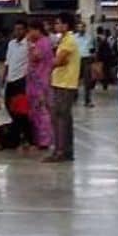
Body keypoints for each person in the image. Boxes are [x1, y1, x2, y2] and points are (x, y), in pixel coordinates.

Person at [46, 13, 80, 163]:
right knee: (62, 118)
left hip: (65, 84)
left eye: (58, 23)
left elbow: (59, 61)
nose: (56, 26)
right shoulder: (64, 39)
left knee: (60, 118)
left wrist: (48, 61)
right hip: (60, 82)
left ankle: (61, 151)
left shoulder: (69, 41)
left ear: (66, 25)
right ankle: (64, 150)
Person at [0, 21, 31, 150]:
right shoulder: (11, 44)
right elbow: (8, 63)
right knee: (10, 108)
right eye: (16, 29)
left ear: (25, 30)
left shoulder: (28, 45)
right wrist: (2, 79)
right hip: (11, 81)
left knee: (21, 110)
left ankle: (25, 135)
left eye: (20, 29)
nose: (18, 32)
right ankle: (16, 133)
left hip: (22, 81)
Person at [26, 19, 55, 152]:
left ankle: (44, 139)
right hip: (35, 81)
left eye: (31, 31)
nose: (29, 34)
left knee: (42, 111)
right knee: (35, 111)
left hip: (41, 81)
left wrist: (30, 45)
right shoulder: (41, 42)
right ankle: (39, 138)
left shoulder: (43, 43)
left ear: (37, 30)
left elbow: (35, 57)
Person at [76, 21, 96, 107]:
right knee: (75, 80)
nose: (80, 29)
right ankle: (74, 97)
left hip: (86, 59)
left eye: (82, 27)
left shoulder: (89, 37)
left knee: (87, 81)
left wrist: (93, 58)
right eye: (79, 27)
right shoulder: (74, 37)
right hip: (76, 60)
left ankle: (87, 100)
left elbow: (92, 49)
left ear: (85, 28)